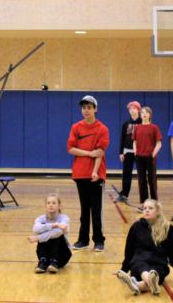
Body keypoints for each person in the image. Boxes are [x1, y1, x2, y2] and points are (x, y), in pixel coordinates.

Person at [116, 199, 173, 296]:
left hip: (158, 264)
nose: (146, 210)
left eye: (150, 208)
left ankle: (137, 285)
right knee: (141, 266)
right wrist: (123, 270)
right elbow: (129, 250)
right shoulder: (136, 226)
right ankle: (151, 282)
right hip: (138, 264)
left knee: (156, 273)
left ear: (158, 211)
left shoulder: (168, 228)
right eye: (144, 208)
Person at [67, 95, 109, 252]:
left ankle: (99, 241)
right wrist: (88, 153)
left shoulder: (102, 129)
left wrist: (95, 171)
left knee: (96, 210)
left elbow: (99, 152)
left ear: (95, 109)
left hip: (96, 175)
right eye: (84, 107)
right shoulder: (76, 127)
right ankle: (82, 240)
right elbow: (70, 148)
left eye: (89, 107)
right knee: (84, 210)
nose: (86, 110)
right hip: (80, 173)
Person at [27, 193, 71, 274]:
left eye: (54, 203)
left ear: (59, 206)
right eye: (48, 203)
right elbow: (35, 229)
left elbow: (58, 233)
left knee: (57, 235)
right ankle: (43, 261)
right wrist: (54, 225)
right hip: (46, 254)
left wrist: (38, 238)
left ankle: (54, 262)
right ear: (45, 206)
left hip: (62, 255)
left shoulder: (64, 218)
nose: (51, 205)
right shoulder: (40, 218)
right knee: (44, 230)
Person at [132, 106, 162, 205]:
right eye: (142, 113)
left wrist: (153, 154)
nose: (144, 114)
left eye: (146, 112)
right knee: (141, 181)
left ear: (149, 115)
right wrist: (135, 150)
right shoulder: (137, 128)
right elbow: (134, 141)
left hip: (150, 158)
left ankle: (154, 202)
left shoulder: (154, 127)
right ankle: (143, 202)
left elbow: (159, 143)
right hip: (139, 157)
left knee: (152, 180)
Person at [117, 101, 142, 203]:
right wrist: (121, 152)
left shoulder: (142, 122)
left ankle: (144, 197)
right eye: (130, 109)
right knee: (126, 174)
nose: (132, 110)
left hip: (140, 152)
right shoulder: (126, 124)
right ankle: (124, 194)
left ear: (138, 110)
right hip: (128, 151)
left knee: (142, 175)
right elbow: (122, 138)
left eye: (134, 108)